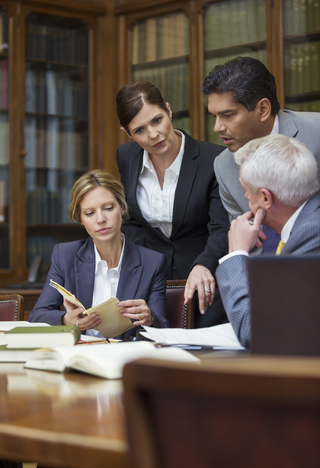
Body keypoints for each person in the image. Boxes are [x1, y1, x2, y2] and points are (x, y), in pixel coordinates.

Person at [115, 80, 230, 328]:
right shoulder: (126, 157)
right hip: (151, 289)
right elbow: (131, 221)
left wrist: (204, 263)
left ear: (168, 110)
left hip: (206, 283)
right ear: (127, 133)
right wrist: (145, 268)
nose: (153, 135)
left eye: (157, 120)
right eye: (140, 130)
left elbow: (222, 226)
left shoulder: (214, 159)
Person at [28, 170, 169, 338]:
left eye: (108, 208)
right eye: (89, 213)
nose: (101, 219)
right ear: (80, 219)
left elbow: (163, 328)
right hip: (81, 355)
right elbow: (37, 317)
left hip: (125, 357)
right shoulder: (65, 256)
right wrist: (67, 320)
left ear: (122, 208)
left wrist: (149, 318)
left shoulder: (152, 262)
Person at [202, 56, 320, 252]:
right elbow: (249, 243)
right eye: (214, 116)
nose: (217, 127)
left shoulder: (316, 134)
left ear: (263, 109)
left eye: (227, 115)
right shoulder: (223, 166)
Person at [216, 134, 320, 348]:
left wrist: (236, 253)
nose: (245, 197)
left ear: (265, 198)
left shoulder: (311, 233)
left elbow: (255, 331)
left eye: (246, 189)